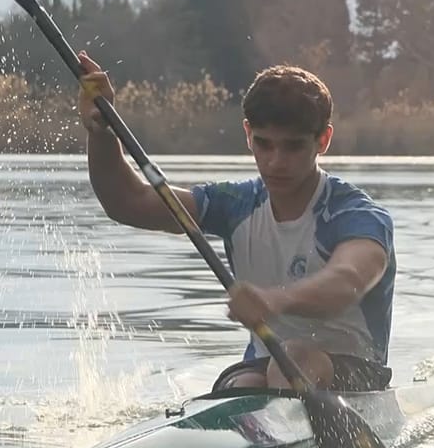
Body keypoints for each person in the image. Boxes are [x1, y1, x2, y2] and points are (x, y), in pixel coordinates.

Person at [75, 51, 395, 393]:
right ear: (247, 134)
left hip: (355, 374)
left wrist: (275, 300)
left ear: (323, 141)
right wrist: (102, 132)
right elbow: (128, 202)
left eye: (293, 147)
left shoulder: (356, 215)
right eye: (264, 144)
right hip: (266, 366)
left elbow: (348, 281)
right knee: (236, 386)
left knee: (294, 359)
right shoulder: (236, 204)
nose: (275, 162)